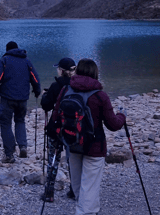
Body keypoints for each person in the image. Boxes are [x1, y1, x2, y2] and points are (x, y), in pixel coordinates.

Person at [51, 58, 126, 215]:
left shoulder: (66, 90)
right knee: (89, 188)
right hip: (95, 147)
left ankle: (91, 210)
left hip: (72, 143)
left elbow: (56, 117)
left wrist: (57, 137)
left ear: (77, 72)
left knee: (80, 189)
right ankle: (87, 211)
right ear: (95, 73)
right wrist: (122, 116)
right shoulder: (100, 96)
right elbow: (113, 125)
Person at [0, 41, 41, 163]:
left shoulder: (4, 60)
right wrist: (37, 91)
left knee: (5, 123)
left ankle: (9, 154)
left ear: (7, 50)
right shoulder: (26, 60)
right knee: (20, 120)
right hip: (22, 99)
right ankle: (22, 146)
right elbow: (35, 77)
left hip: (7, 98)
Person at [41, 57, 76, 202]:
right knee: (73, 159)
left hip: (57, 128)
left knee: (53, 159)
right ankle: (74, 190)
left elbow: (46, 105)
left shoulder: (56, 86)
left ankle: (49, 192)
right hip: (74, 128)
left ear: (61, 71)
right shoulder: (78, 85)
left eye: (58, 68)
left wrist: (45, 95)